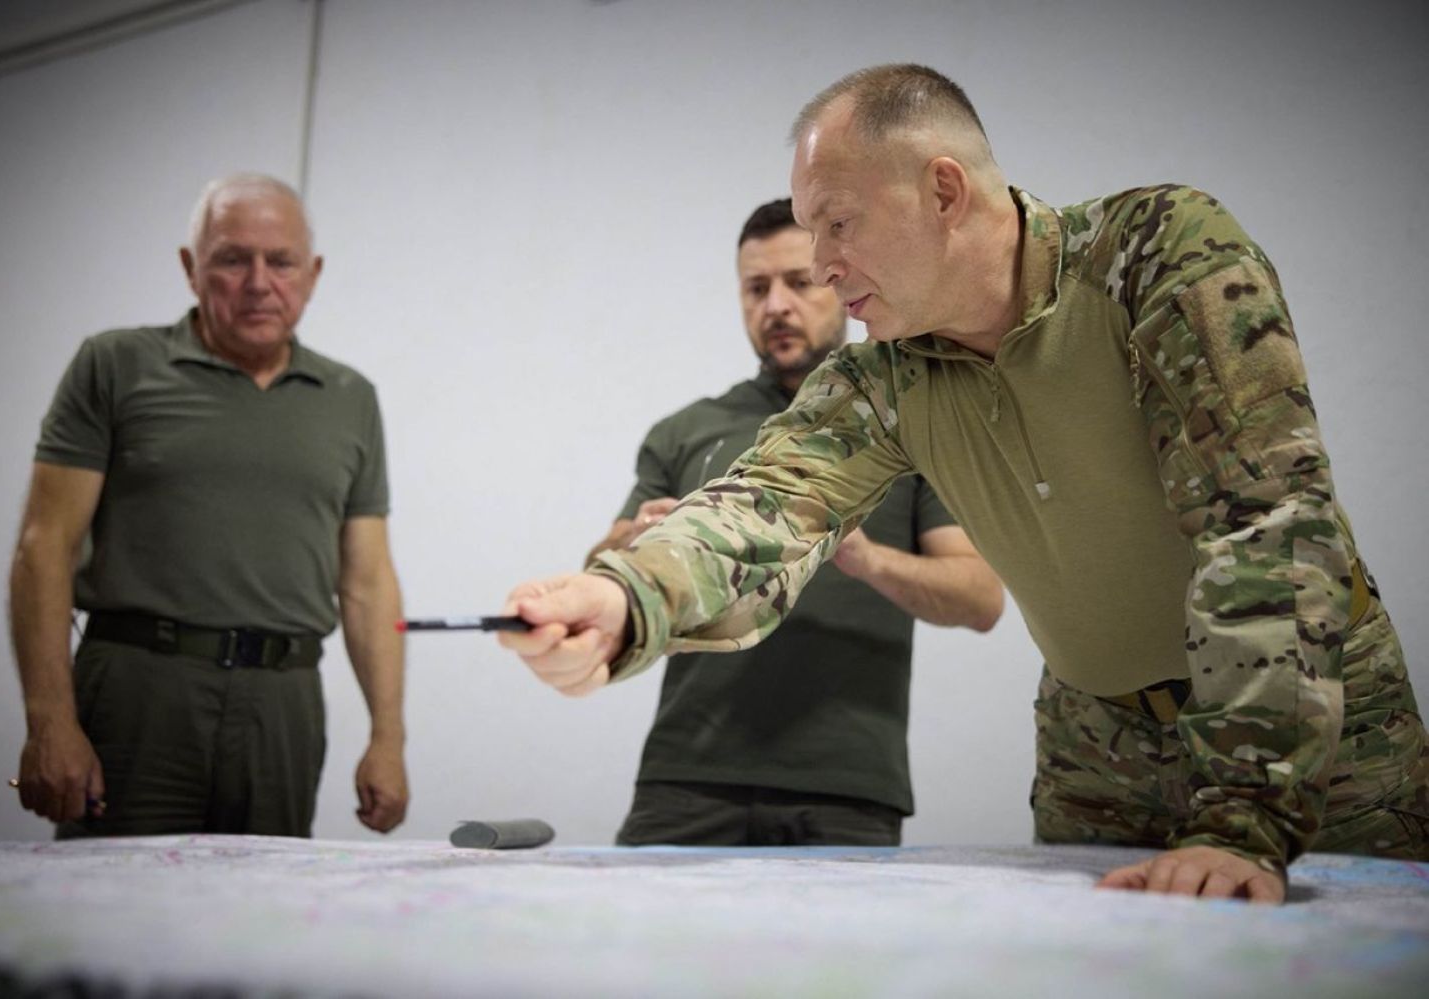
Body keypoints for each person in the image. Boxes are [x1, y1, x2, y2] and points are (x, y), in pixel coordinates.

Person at [500, 65, 1428, 901]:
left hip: (1314, 728)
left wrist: (1245, 816)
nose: (820, 264)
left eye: (838, 223)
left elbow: (1267, 520)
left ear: (942, 190)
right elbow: (762, 509)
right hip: (1095, 745)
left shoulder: (1157, 255)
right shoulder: (885, 375)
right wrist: (623, 596)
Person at [589, 198, 1003, 846]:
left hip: (846, 782)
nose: (775, 305)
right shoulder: (684, 431)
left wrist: (867, 558)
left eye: (798, 282)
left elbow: (981, 599)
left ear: (837, 282)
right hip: (687, 774)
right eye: (756, 288)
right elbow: (602, 570)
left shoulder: (911, 423)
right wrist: (632, 541)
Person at [8, 173, 409, 838]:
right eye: (232, 258)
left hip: (284, 702)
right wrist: (50, 720)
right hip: (141, 690)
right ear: (191, 268)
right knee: (118, 913)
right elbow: (42, 546)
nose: (258, 282)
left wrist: (388, 737)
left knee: (264, 922)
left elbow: (368, 581)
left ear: (311, 274)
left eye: (280, 261)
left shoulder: (350, 397)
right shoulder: (116, 364)